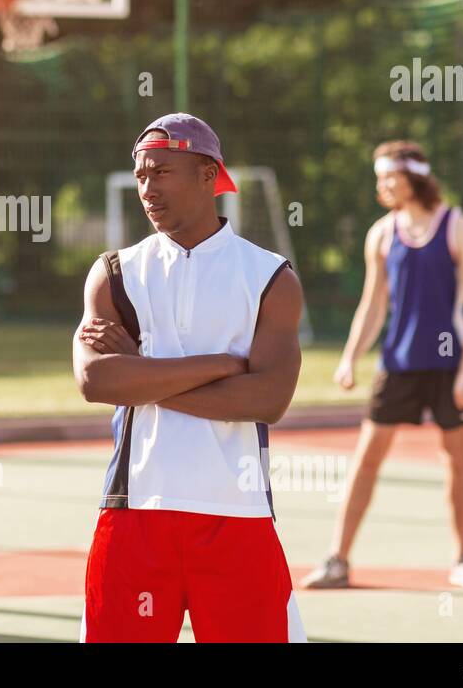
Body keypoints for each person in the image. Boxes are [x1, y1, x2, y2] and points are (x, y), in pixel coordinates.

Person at [74, 113, 308, 642]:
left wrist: (144, 373)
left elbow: (268, 399)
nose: (147, 188)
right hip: (134, 512)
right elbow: (97, 382)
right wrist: (223, 366)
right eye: (140, 176)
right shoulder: (114, 272)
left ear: (209, 176)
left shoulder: (269, 275)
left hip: (236, 513)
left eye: (161, 172)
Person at [303, 141, 463, 590]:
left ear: (415, 177)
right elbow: (372, 305)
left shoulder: (458, 228)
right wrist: (350, 357)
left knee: (457, 460)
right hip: (398, 364)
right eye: (378, 178)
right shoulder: (382, 234)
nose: (382, 186)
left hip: (448, 366)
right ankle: (338, 560)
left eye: (389, 177)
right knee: (366, 459)